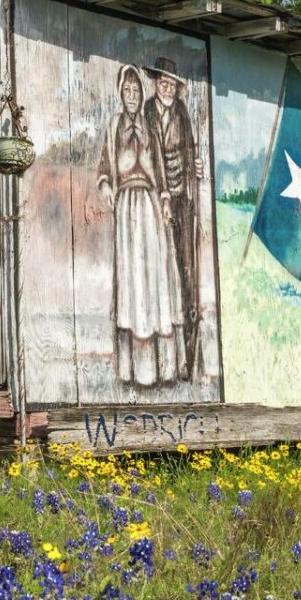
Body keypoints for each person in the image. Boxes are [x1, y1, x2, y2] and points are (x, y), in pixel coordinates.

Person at [97, 64, 185, 387]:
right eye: (127, 91)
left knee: (155, 278)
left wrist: (163, 199)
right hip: (126, 208)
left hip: (148, 206)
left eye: (137, 91)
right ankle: (133, 371)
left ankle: (163, 369)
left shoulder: (149, 127)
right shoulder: (114, 126)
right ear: (121, 94)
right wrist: (106, 184)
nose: (132, 97)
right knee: (131, 279)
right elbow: (104, 168)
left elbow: (159, 168)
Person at [142, 56, 201, 379]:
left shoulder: (181, 112)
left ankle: (190, 355)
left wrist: (195, 170)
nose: (166, 87)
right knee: (163, 265)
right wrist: (163, 194)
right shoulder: (150, 110)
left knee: (188, 263)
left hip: (184, 196)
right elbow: (154, 154)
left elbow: (189, 148)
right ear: (156, 84)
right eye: (162, 82)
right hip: (160, 193)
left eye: (171, 83)